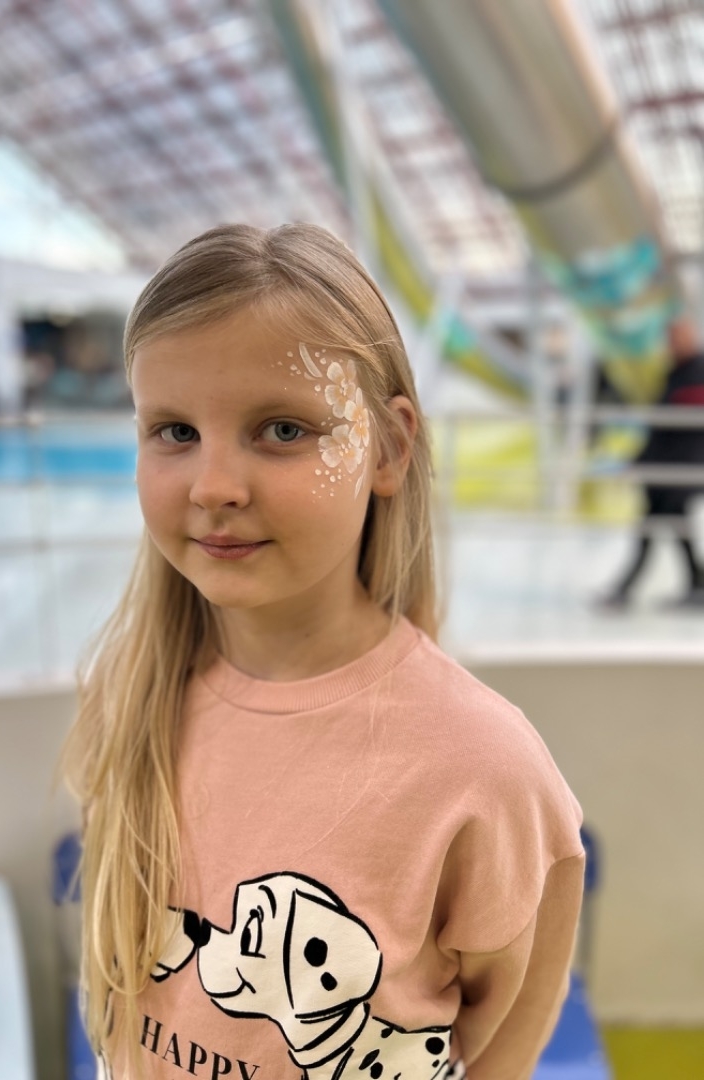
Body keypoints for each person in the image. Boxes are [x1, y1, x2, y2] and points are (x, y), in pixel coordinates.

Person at [61, 223, 585, 1080]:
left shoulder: (485, 772)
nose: (214, 487)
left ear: (389, 448)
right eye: (175, 431)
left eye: (281, 429)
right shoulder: (126, 697)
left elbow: (503, 1044)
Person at [600, 315, 704, 607]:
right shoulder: (677, 373)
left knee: (651, 529)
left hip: (680, 469)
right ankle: (696, 585)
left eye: (677, 337)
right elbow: (660, 426)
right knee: (675, 529)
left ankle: (624, 590)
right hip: (668, 468)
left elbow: (679, 426)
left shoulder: (696, 373)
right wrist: (640, 460)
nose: (671, 344)